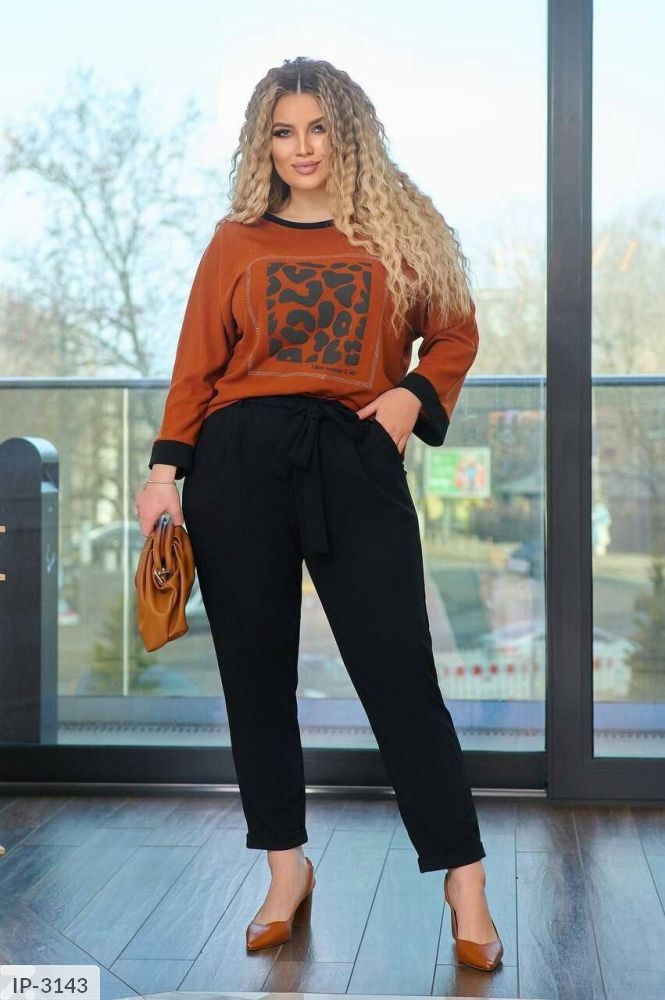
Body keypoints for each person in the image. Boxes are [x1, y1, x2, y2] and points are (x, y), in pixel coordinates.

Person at [135, 56, 502, 972]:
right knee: (254, 676)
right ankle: (285, 868)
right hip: (237, 464)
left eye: (318, 128)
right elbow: (196, 366)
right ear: (263, 143)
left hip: (351, 456)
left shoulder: (398, 232)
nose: (301, 148)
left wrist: (410, 397)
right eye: (282, 131)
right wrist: (163, 474)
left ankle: (464, 880)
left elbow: (454, 330)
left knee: (399, 675)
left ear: (349, 135)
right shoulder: (234, 243)